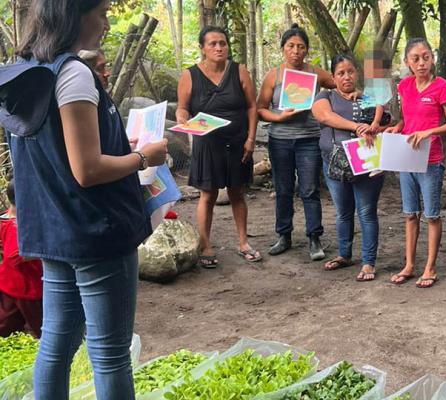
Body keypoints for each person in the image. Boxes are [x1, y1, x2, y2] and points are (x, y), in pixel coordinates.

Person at [0, 0, 168, 398]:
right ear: (74, 14)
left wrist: (115, 142)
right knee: (109, 352)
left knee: (56, 341)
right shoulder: (73, 73)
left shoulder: (28, 72)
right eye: (102, 13)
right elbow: (87, 170)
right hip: (94, 231)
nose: (107, 23)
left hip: (51, 229)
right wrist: (145, 157)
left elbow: (58, 152)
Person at [176, 26, 261, 267]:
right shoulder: (190, 75)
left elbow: (251, 107)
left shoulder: (239, 71)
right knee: (208, 194)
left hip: (237, 141)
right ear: (202, 48)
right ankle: (206, 245)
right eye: (212, 44)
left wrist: (251, 139)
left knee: (237, 191)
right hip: (207, 142)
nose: (218, 47)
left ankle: (243, 242)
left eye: (222, 43)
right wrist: (182, 118)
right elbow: (182, 107)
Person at [257, 24, 335, 261]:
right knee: (283, 188)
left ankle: (314, 237)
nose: (296, 51)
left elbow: (338, 85)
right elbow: (261, 109)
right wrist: (279, 116)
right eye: (291, 46)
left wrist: (348, 94)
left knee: (309, 189)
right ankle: (284, 235)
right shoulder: (274, 75)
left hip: (309, 139)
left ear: (306, 51)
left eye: (301, 47)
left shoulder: (315, 73)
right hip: (280, 140)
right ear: (283, 49)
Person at [386, 38, 446, 288]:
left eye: (426, 57)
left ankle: (430, 267)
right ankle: (409, 265)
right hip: (407, 158)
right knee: (410, 215)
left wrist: (430, 133)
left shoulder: (442, 87)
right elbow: (406, 120)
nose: (421, 63)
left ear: (432, 59)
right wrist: (397, 128)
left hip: (432, 160)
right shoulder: (405, 86)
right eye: (415, 58)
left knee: (431, 215)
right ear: (407, 62)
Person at [311, 54, 384, 282]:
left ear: (357, 73)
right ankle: (344, 254)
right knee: (343, 212)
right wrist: (356, 127)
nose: (346, 77)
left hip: (366, 164)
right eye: (341, 73)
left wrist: (367, 107)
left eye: (350, 71)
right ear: (333, 77)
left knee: (366, 212)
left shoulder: (367, 98)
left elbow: (386, 120)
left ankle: (368, 262)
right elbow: (325, 116)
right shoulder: (326, 96)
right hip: (334, 164)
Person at [0, 179, 43, 338]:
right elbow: (15, 255)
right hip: (26, 286)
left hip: (10, 282)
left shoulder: (6, 219)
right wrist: (43, 251)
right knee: (42, 326)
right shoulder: (16, 227)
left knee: (7, 322)